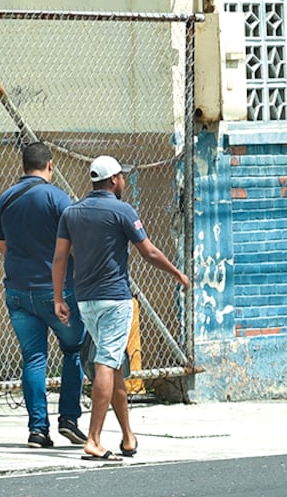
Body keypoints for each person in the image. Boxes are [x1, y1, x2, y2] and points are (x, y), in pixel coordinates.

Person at [52, 155, 189, 462]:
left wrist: (59, 298)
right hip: (115, 300)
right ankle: (94, 439)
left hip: (86, 301)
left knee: (112, 367)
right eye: (122, 177)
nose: (124, 181)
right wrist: (177, 273)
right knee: (106, 363)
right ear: (113, 179)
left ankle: (128, 437)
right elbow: (149, 252)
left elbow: (60, 258)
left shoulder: (71, 213)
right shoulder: (122, 210)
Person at [0, 140, 87, 449]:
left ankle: (37, 430)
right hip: (56, 292)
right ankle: (69, 419)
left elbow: (0, 243)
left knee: (33, 358)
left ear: (22, 167)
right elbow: (76, 244)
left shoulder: (6, 198)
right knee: (73, 349)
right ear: (50, 165)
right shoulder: (58, 198)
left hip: (18, 290)